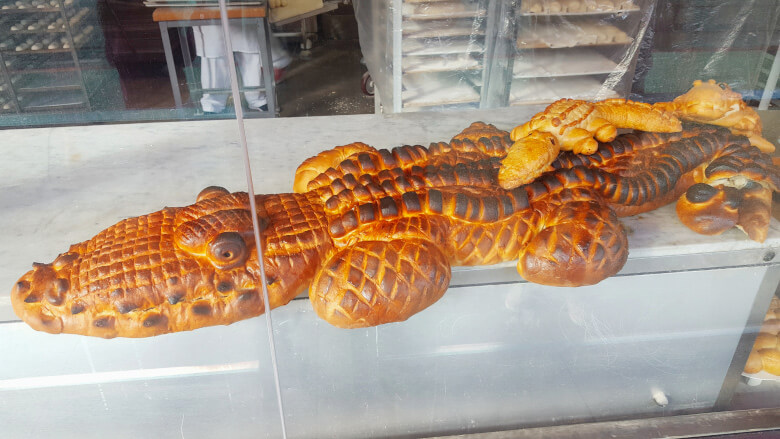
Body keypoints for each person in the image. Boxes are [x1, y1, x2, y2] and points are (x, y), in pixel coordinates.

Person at [192, 22, 291, 113]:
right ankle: (212, 105)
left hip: (242, 11)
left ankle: (257, 99)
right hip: (211, 11)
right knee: (214, 53)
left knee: (250, 48)